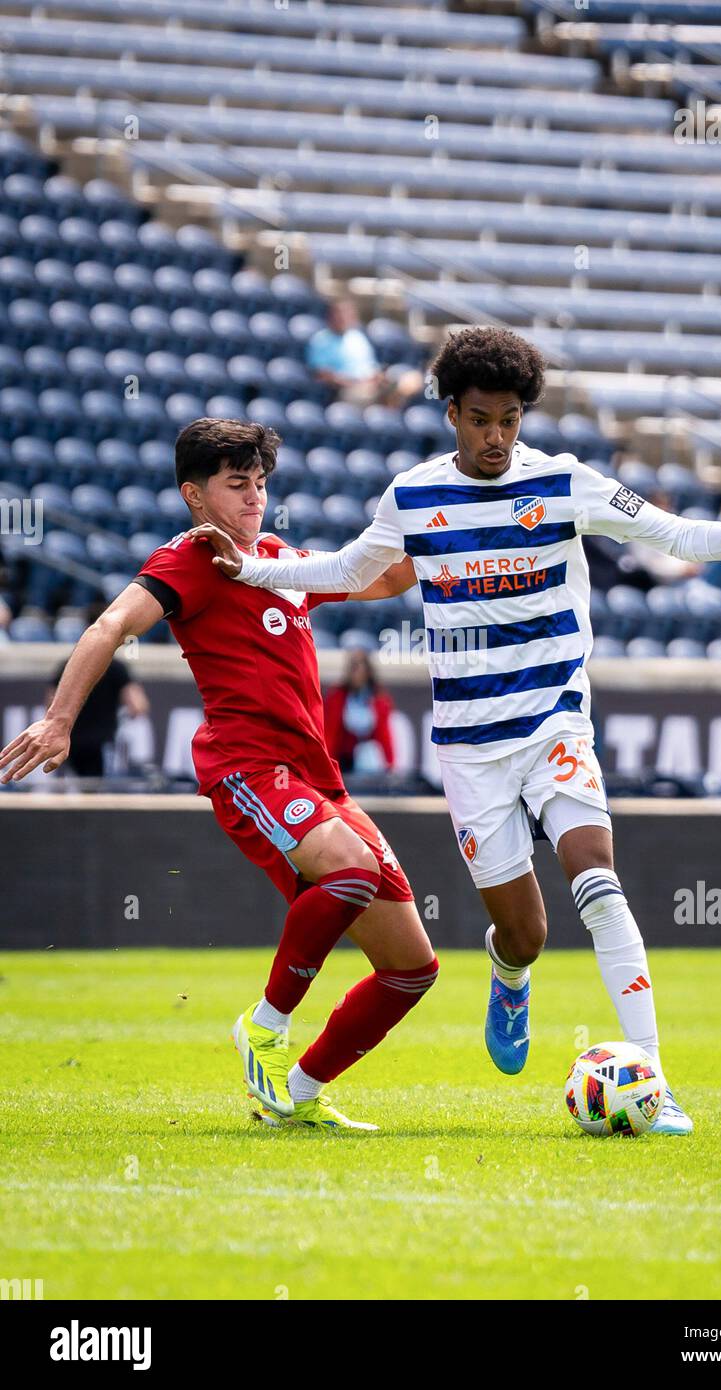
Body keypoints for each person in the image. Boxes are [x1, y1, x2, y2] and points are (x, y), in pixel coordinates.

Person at [185, 329, 721, 1137]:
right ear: (452, 415)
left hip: (555, 721)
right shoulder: (414, 495)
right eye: (481, 420)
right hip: (471, 746)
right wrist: (250, 570)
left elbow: (671, 534)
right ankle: (509, 971)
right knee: (526, 931)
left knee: (598, 884)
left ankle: (656, 1079)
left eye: (510, 420)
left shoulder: (566, 483)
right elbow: (348, 570)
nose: (497, 437)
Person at [0, 418, 437, 1132]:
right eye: (237, 485)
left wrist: (462, 536)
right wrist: (59, 718)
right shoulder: (191, 561)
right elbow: (110, 626)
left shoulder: (279, 560)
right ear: (194, 496)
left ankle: (292, 1096)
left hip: (319, 778)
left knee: (412, 968)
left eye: (260, 484)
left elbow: (384, 577)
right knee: (351, 870)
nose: (254, 499)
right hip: (248, 767)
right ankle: (263, 1025)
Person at [47, 601, 150, 781]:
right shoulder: (117, 668)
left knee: (73, 796)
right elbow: (138, 706)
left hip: (71, 744)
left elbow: (50, 705)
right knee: (99, 797)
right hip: (103, 743)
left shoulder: (68, 665)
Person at [306, 298, 423, 407]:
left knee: (412, 378)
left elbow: (371, 367)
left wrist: (378, 376)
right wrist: (354, 383)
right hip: (347, 391)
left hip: (371, 385)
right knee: (380, 396)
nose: (343, 318)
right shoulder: (320, 340)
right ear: (330, 317)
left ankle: (390, 410)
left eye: (347, 314)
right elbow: (321, 375)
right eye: (339, 314)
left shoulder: (358, 337)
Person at [324, 649, 396, 774]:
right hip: (344, 758)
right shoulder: (337, 697)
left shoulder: (379, 698)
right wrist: (327, 764)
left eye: (360, 667)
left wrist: (389, 763)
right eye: (354, 667)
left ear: (368, 671)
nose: (356, 673)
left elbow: (384, 734)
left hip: (371, 759)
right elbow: (330, 733)